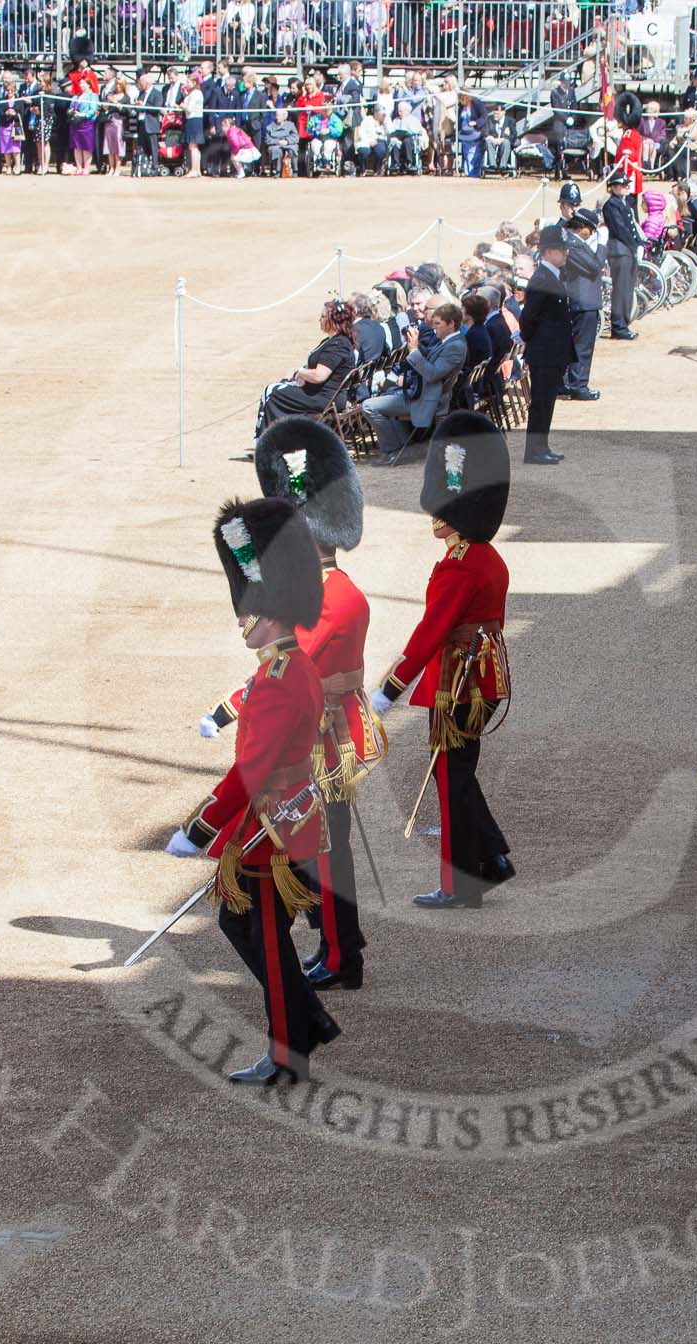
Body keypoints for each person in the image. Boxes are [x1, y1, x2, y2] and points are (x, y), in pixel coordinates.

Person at [166, 498, 340, 1086]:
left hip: (269, 826)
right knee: (249, 930)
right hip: (290, 816)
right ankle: (306, 1021)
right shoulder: (292, 668)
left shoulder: (275, 681)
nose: (243, 620)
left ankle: (289, 1050)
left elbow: (250, 770)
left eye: (251, 611)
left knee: (258, 935)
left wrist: (199, 828)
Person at [204, 420, 379, 991]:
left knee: (319, 856)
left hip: (319, 743)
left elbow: (290, 665)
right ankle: (340, 945)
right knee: (326, 850)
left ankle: (338, 953)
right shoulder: (344, 587)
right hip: (334, 729)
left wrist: (229, 708)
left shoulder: (327, 599)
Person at [370, 412, 514, 909]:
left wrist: (389, 688)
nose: (437, 513)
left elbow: (429, 632)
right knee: (457, 773)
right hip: (483, 678)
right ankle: (490, 859)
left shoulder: (459, 565)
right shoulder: (487, 556)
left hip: (459, 683)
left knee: (450, 779)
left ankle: (460, 884)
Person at [364, 300, 468, 467]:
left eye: (438, 324)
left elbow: (432, 374)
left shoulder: (455, 346)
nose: (434, 328)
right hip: (422, 393)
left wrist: (413, 350)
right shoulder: (450, 341)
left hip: (427, 399)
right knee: (384, 395)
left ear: (451, 324)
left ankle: (394, 450)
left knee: (369, 406)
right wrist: (416, 344)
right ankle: (403, 449)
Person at [254, 298, 361, 438]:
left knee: (273, 393)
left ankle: (271, 442)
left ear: (333, 321)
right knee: (277, 387)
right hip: (322, 393)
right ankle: (277, 440)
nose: (319, 320)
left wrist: (300, 372)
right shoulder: (334, 341)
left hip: (325, 397)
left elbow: (319, 376)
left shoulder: (338, 345)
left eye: (322, 317)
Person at [517, 227, 575, 466]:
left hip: (551, 350)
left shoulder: (550, 276)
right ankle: (535, 449)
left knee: (547, 401)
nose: (566, 254)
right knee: (541, 402)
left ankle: (542, 445)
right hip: (545, 351)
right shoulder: (542, 279)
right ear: (549, 252)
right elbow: (528, 319)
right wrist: (535, 342)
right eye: (562, 250)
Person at [561, 208, 603, 400]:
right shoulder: (572, 243)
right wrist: (602, 246)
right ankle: (578, 385)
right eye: (590, 229)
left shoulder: (573, 242)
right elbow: (594, 266)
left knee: (577, 345)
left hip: (582, 299)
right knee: (582, 346)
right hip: (582, 300)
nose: (592, 234)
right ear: (582, 227)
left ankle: (570, 383)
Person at [602, 172, 641, 341]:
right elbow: (620, 229)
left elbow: (631, 227)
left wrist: (639, 243)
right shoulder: (611, 205)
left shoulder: (623, 203)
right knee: (621, 289)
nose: (626, 187)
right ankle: (618, 325)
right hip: (620, 251)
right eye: (623, 185)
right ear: (614, 187)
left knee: (627, 288)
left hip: (627, 250)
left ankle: (623, 322)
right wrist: (634, 245)